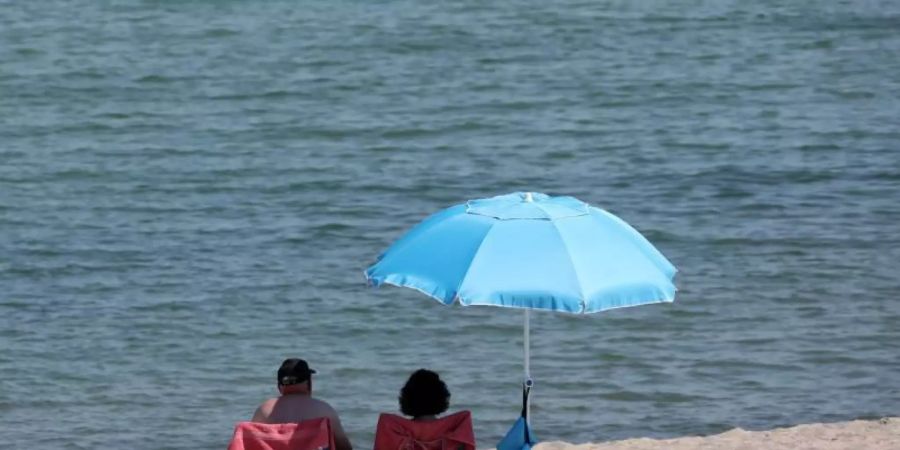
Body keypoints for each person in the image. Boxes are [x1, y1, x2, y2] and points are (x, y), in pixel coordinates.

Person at [251, 358, 353, 450]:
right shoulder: (324, 410)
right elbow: (344, 448)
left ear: (279, 386)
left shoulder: (264, 411)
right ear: (309, 383)